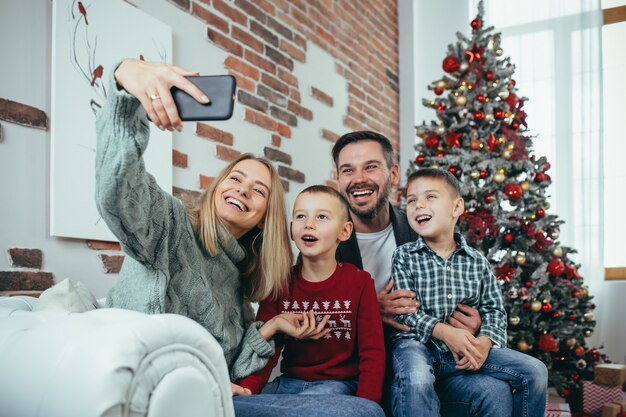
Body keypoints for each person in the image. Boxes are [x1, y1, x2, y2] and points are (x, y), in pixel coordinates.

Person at [96, 59, 327, 386]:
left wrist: (271, 326)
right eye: (235, 178)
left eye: (258, 190)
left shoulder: (239, 286)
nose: (243, 189)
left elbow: (232, 370)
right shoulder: (170, 226)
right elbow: (117, 191)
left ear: (264, 219)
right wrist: (124, 81)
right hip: (134, 384)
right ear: (217, 187)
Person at [331, 131, 518, 416]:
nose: (359, 179)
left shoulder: (422, 225)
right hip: (360, 373)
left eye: (370, 166)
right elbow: (313, 315)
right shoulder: (326, 239)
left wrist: (475, 324)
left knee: (495, 392)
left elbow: (462, 287)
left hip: (433, 362)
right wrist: (367, 309)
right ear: (338, 180)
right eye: (348, 170)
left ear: (393, 174)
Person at [389, 168, 548, 417]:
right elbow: (405, 312)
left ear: (456, 207)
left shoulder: (478, 261)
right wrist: (445, 332)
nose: (418, 205)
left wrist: (483, 344)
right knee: (417, 378)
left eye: (430, 197)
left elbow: (494, 311)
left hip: (464, 352)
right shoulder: (404, 256)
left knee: (535, 371)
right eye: (411, 200)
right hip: (417, 346)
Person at [237, 186, 386, 403]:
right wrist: (248, 391)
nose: (309, 224)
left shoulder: (360, 282)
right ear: (291, 230)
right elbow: (268, 348)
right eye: (300, 216)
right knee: (235, 406)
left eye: (322, 217)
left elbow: (372, 354)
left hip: (336, 387)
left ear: (344, 231)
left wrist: (367, 405)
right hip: (287, 385)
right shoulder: (280, 282)